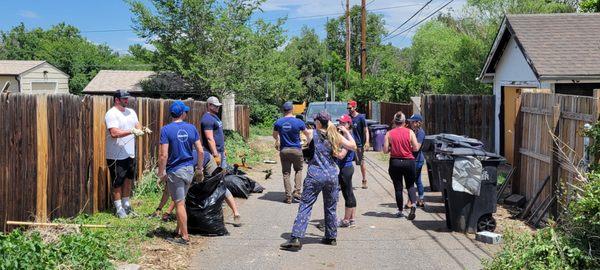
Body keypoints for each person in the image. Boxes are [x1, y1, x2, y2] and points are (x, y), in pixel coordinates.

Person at [280, 111, 357, 251]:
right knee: (331, 206)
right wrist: (346, 132)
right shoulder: (335, 136)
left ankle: (296, 237)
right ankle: (331, 237)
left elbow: (299, 135)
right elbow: (353, 146)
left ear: (318, 122)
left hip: (315, 174)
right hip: (332, 176)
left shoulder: (311, 134)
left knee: (306, 205)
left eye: (315, 120)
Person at [153, 148, 242, 227]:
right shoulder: (171, 168)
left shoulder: (180, 168)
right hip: (195, 165)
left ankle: (235, 212)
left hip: (207, 160)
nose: (164, 181)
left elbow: (180, 195)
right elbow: (166, 192)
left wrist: (168, 212)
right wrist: (159, 209)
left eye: (163, 178)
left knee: (218, 185)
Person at [158, 100, 204, 245]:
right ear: (182, 113)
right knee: (181, 201)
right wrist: (200, 169)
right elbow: (200, 151)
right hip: (189, 170)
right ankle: (178, 231)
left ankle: (185, 237)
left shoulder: (166, 130)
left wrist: (161, 172)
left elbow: (163, 155)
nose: (186, 113)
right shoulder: (191, 128)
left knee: (179, 203)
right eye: (185, 111)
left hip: (175, 172)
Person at [105, 89, 146, 218]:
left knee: (128, 179)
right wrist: (132, 131)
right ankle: (119, 209)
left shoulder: (131, 112)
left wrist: (141, 130)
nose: (127, 100)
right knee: (118, 181)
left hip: (130, 153)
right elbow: (114, 133)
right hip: (116, 154)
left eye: (127, 98)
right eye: (124, 99)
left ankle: (126, 204)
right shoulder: (111, 114)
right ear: (117, 100)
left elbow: (137, 124)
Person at [383, 112, 420, 220]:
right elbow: (416, 148)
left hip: (395, 162)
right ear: (404, 122)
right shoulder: (410, 132)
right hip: (409, 162)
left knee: (398, 188)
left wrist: (392, 148)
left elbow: (385, 150)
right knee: (410, 185)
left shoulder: (389, 133)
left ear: (394, 121)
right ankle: (413, 204)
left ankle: (400, 211)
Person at [273, 101, 310, 204]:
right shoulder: (298, 122)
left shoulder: (278, 122)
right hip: (297, 150)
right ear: (292, 109)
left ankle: (288, 197)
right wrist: (307, 142)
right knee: (298, 170)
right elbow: (307, 134)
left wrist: (279, 139)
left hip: (284, 150)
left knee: (286, 173)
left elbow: (275, 135)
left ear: (283, 110)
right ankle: (297, 192)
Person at [336, 115, 357, 228]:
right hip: (346, 168)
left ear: (348, 124)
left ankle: (346, 220)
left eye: (343, 123)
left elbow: (341, 155)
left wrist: (331, 151)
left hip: (345, 168)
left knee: (347, 194)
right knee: (350, 193)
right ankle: (352, 218)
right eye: (340, 122)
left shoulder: (348, 137)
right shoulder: (344, 135)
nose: (340, 125)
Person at [347, 100, 370, 189]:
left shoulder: (360, 118)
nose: (349, 109)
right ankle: (344, 182)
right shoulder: (347, 118)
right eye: (348, 108)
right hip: (349, 144)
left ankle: (364, 180)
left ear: (355, 107)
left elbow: (366, 130)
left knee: (361, 162)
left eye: (350, 108)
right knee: (346, 163)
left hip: (358, 145)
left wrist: (367, 141)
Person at [201, 96, 227, 169]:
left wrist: (223, 149)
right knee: (216, 176)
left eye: (218, 106)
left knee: (223, 174)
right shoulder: (207, 119)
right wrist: (215, 155)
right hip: (213, 153)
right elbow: (209, 139)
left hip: (220, 151)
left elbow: (219, 133)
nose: (218, 107)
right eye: (216, 106)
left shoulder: (215, 116)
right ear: (209, 105)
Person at [408, 114, 426, 208]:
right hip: (414, 159)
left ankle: (411, 201)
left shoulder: (420, 133)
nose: (410, 123)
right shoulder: (414, 131)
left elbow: (417, 148)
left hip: (417, 160)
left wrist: (406, 147)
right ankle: (421, 199)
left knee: (410, 181)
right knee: (417, 180)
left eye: (412, 121)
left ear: (418, 123)